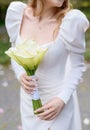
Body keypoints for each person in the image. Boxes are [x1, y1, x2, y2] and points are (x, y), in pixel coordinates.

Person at [5, 0, 89, 130]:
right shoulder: (18, 15)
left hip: (58, 102)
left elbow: (77, 66)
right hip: (29, 103)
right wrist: (20, 74)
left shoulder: (71, 22)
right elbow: (14, 52)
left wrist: (62, 99)